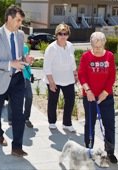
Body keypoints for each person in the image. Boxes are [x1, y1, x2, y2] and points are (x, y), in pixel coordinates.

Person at [0, 5, 32, 157]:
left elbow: (18, 58)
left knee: (19, 113)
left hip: (18, 79)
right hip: (0, 80)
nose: (20, 24)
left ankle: (17, 146)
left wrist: (25, 60)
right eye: (18, 20)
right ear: (9, 18)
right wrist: (10, 63)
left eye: (21, 21)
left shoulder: (19, 35)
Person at [78, 32, 117, 163]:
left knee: (109, 124)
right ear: (91, 44)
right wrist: (87, 90)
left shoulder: (109, 56)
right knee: (90, 123)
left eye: (100, 47)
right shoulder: (86, 56)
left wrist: (105, 93)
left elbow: (112, 76)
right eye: (95, 46)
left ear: (104, 44)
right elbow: (81, 75)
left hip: (106, 96)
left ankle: (110, 151)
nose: (98, 49)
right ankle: (89, 149)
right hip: (89, 96)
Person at [43, 23, 77, 132]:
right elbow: (46, 67)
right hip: (54, 79)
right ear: (56, 35)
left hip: (68, 79)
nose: (63, 36)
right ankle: (52, 122)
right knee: (53, 101)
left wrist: (75, 74)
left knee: (70, 100)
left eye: (65, 33)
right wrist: (51, 83)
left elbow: (72, 62)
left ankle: (67, 123)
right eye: (60, 33)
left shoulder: (71, 46)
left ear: (68, 35)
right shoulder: (51, 48)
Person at [7, 43, 34, 128]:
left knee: (29, 97)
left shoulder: (25, 46)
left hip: (25, 76)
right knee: (13, 98)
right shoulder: (10, 45)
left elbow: (27, 62)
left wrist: (31, 72)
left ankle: (26, 118)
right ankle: (11, 118)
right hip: (14, 76)